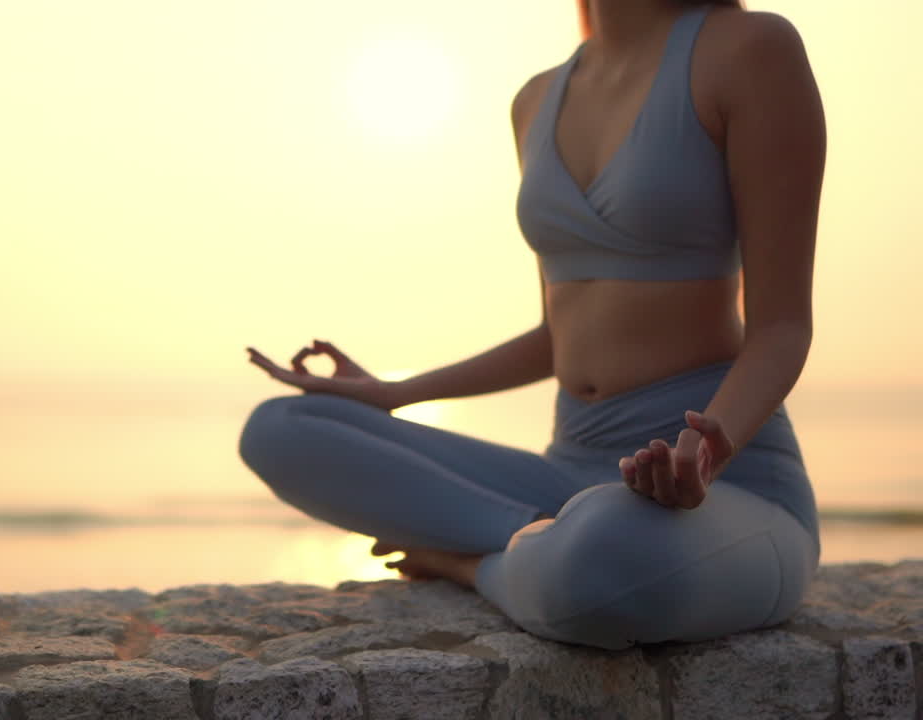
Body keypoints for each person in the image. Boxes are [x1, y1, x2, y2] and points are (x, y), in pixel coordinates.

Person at [238, 0, 825, 651]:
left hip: (724, 488)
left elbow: (781, 329)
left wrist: (713, 452)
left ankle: (470, 563)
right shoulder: (536, 99)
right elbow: (558, 334)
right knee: (281, 429)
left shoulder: (751, 50)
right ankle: (535, 541)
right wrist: (396, 393)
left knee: (596, 554)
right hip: (567, 470)